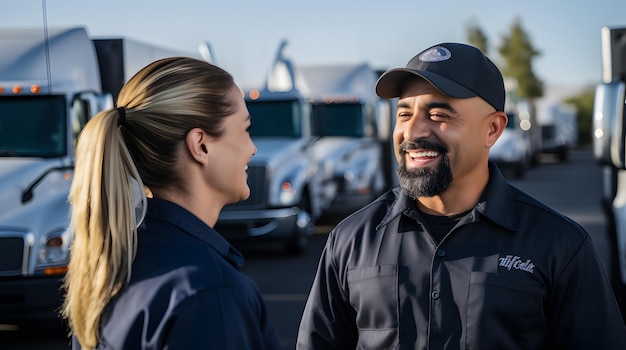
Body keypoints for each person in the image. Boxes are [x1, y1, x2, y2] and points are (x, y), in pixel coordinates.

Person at [296, 42, 626, 349]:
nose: (413, 131)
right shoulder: (350, 240)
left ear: (493, 129)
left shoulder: (559, 245)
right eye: (404, 114)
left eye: (438, 115)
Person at [62, 57, 281, 349]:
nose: (252, 148)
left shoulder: (109, 268)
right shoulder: (211, 291)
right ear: (200, 145)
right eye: (245, 129)